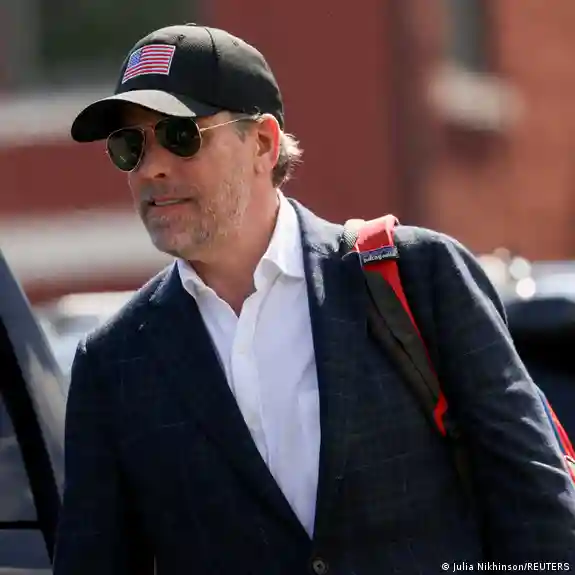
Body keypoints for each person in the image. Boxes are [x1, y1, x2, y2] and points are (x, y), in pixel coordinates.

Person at [53, 23, 575, 575]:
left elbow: (542, 516)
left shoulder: (420, 277)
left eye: (181, 135)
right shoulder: (112, 363)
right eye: (130, 146)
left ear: (262, 143)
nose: (152, 168)